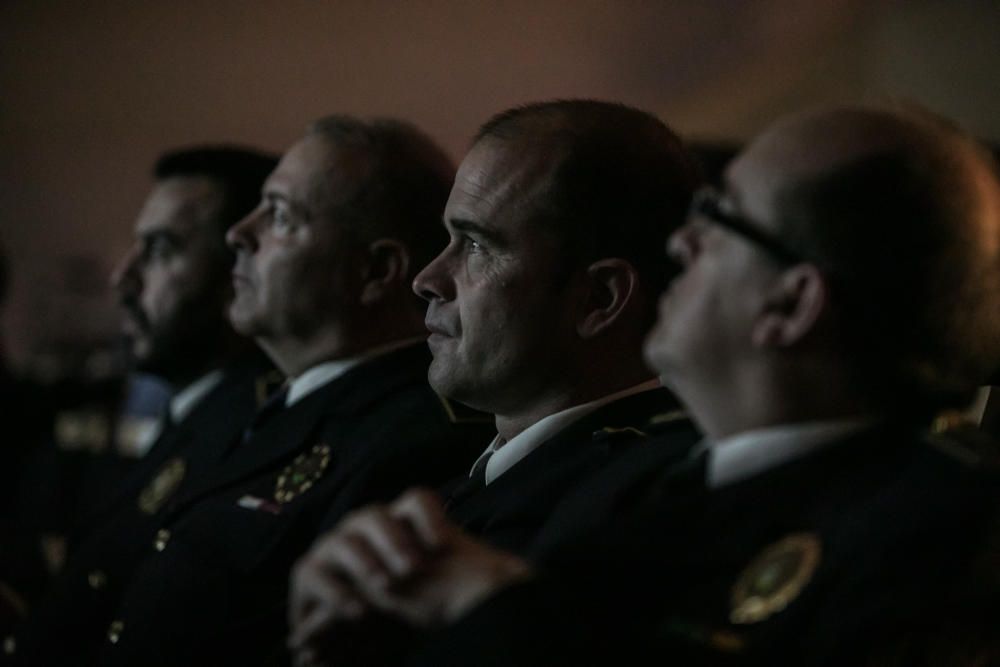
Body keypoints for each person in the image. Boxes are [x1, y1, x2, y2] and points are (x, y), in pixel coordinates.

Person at [289, 105, 1000, 666]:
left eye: (720, 218)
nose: (681, 244)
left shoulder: (949, 543)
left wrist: (492, 615)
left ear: (790, 304)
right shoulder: (664, 491)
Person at [288, 99, 702, 664]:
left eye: (477, 245)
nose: (428, 279)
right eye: (447, 239)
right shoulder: (450, 472)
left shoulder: (652, 501)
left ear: (598, 298)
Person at [88, 116, 492, 667]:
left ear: (375, 270)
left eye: (279, 216)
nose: (238, 234)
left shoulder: (411, 441)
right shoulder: (255, 405)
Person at [4, 146, 279, 663]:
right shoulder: (193, 418)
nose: (122, 278)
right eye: (136, 247)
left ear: (239, 271)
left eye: (161, 249)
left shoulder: (252, 437)